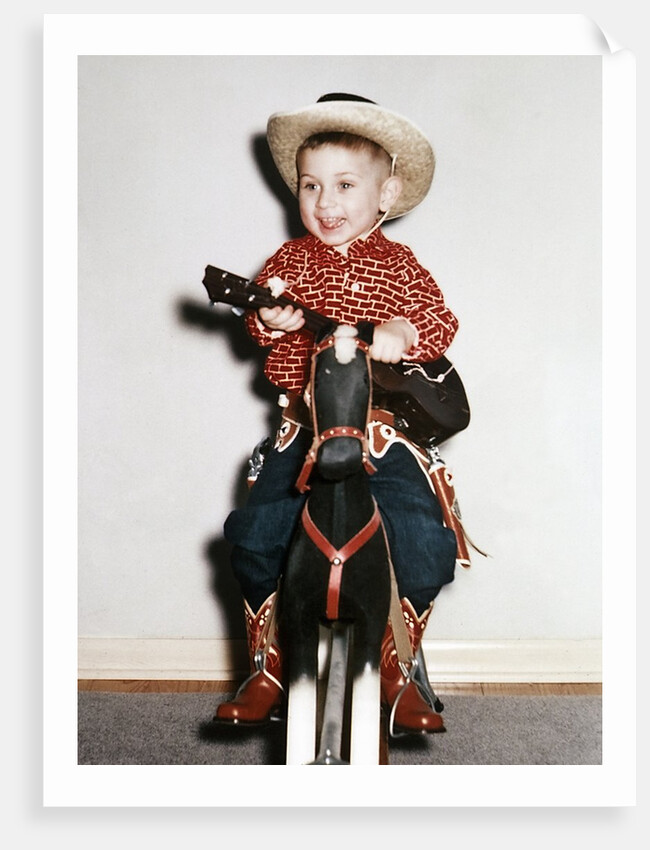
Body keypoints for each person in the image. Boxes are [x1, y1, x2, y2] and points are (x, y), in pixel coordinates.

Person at [215, 93, 465, 735]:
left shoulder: (401, 265)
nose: (325, 203)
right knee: (253, 533)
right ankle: (268, 663)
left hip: (386, 435)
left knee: (423, 541)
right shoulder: (289, 265)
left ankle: (398, 663)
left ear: (387, 193)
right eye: (310, 185)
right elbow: (267, 335)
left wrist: (404, 330)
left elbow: (443, 320)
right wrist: (269, 319)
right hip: (306, 431)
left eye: (345, 185)